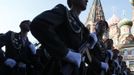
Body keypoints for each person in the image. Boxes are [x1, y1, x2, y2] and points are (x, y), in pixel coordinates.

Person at [30, 0, 89, 75]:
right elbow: (39, 24)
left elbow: (85, 51)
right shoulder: (63, 11)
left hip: (78, 70)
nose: (87, 0)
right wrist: (66, 53)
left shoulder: (83, 28)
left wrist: (91, 43)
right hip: (59, 67)